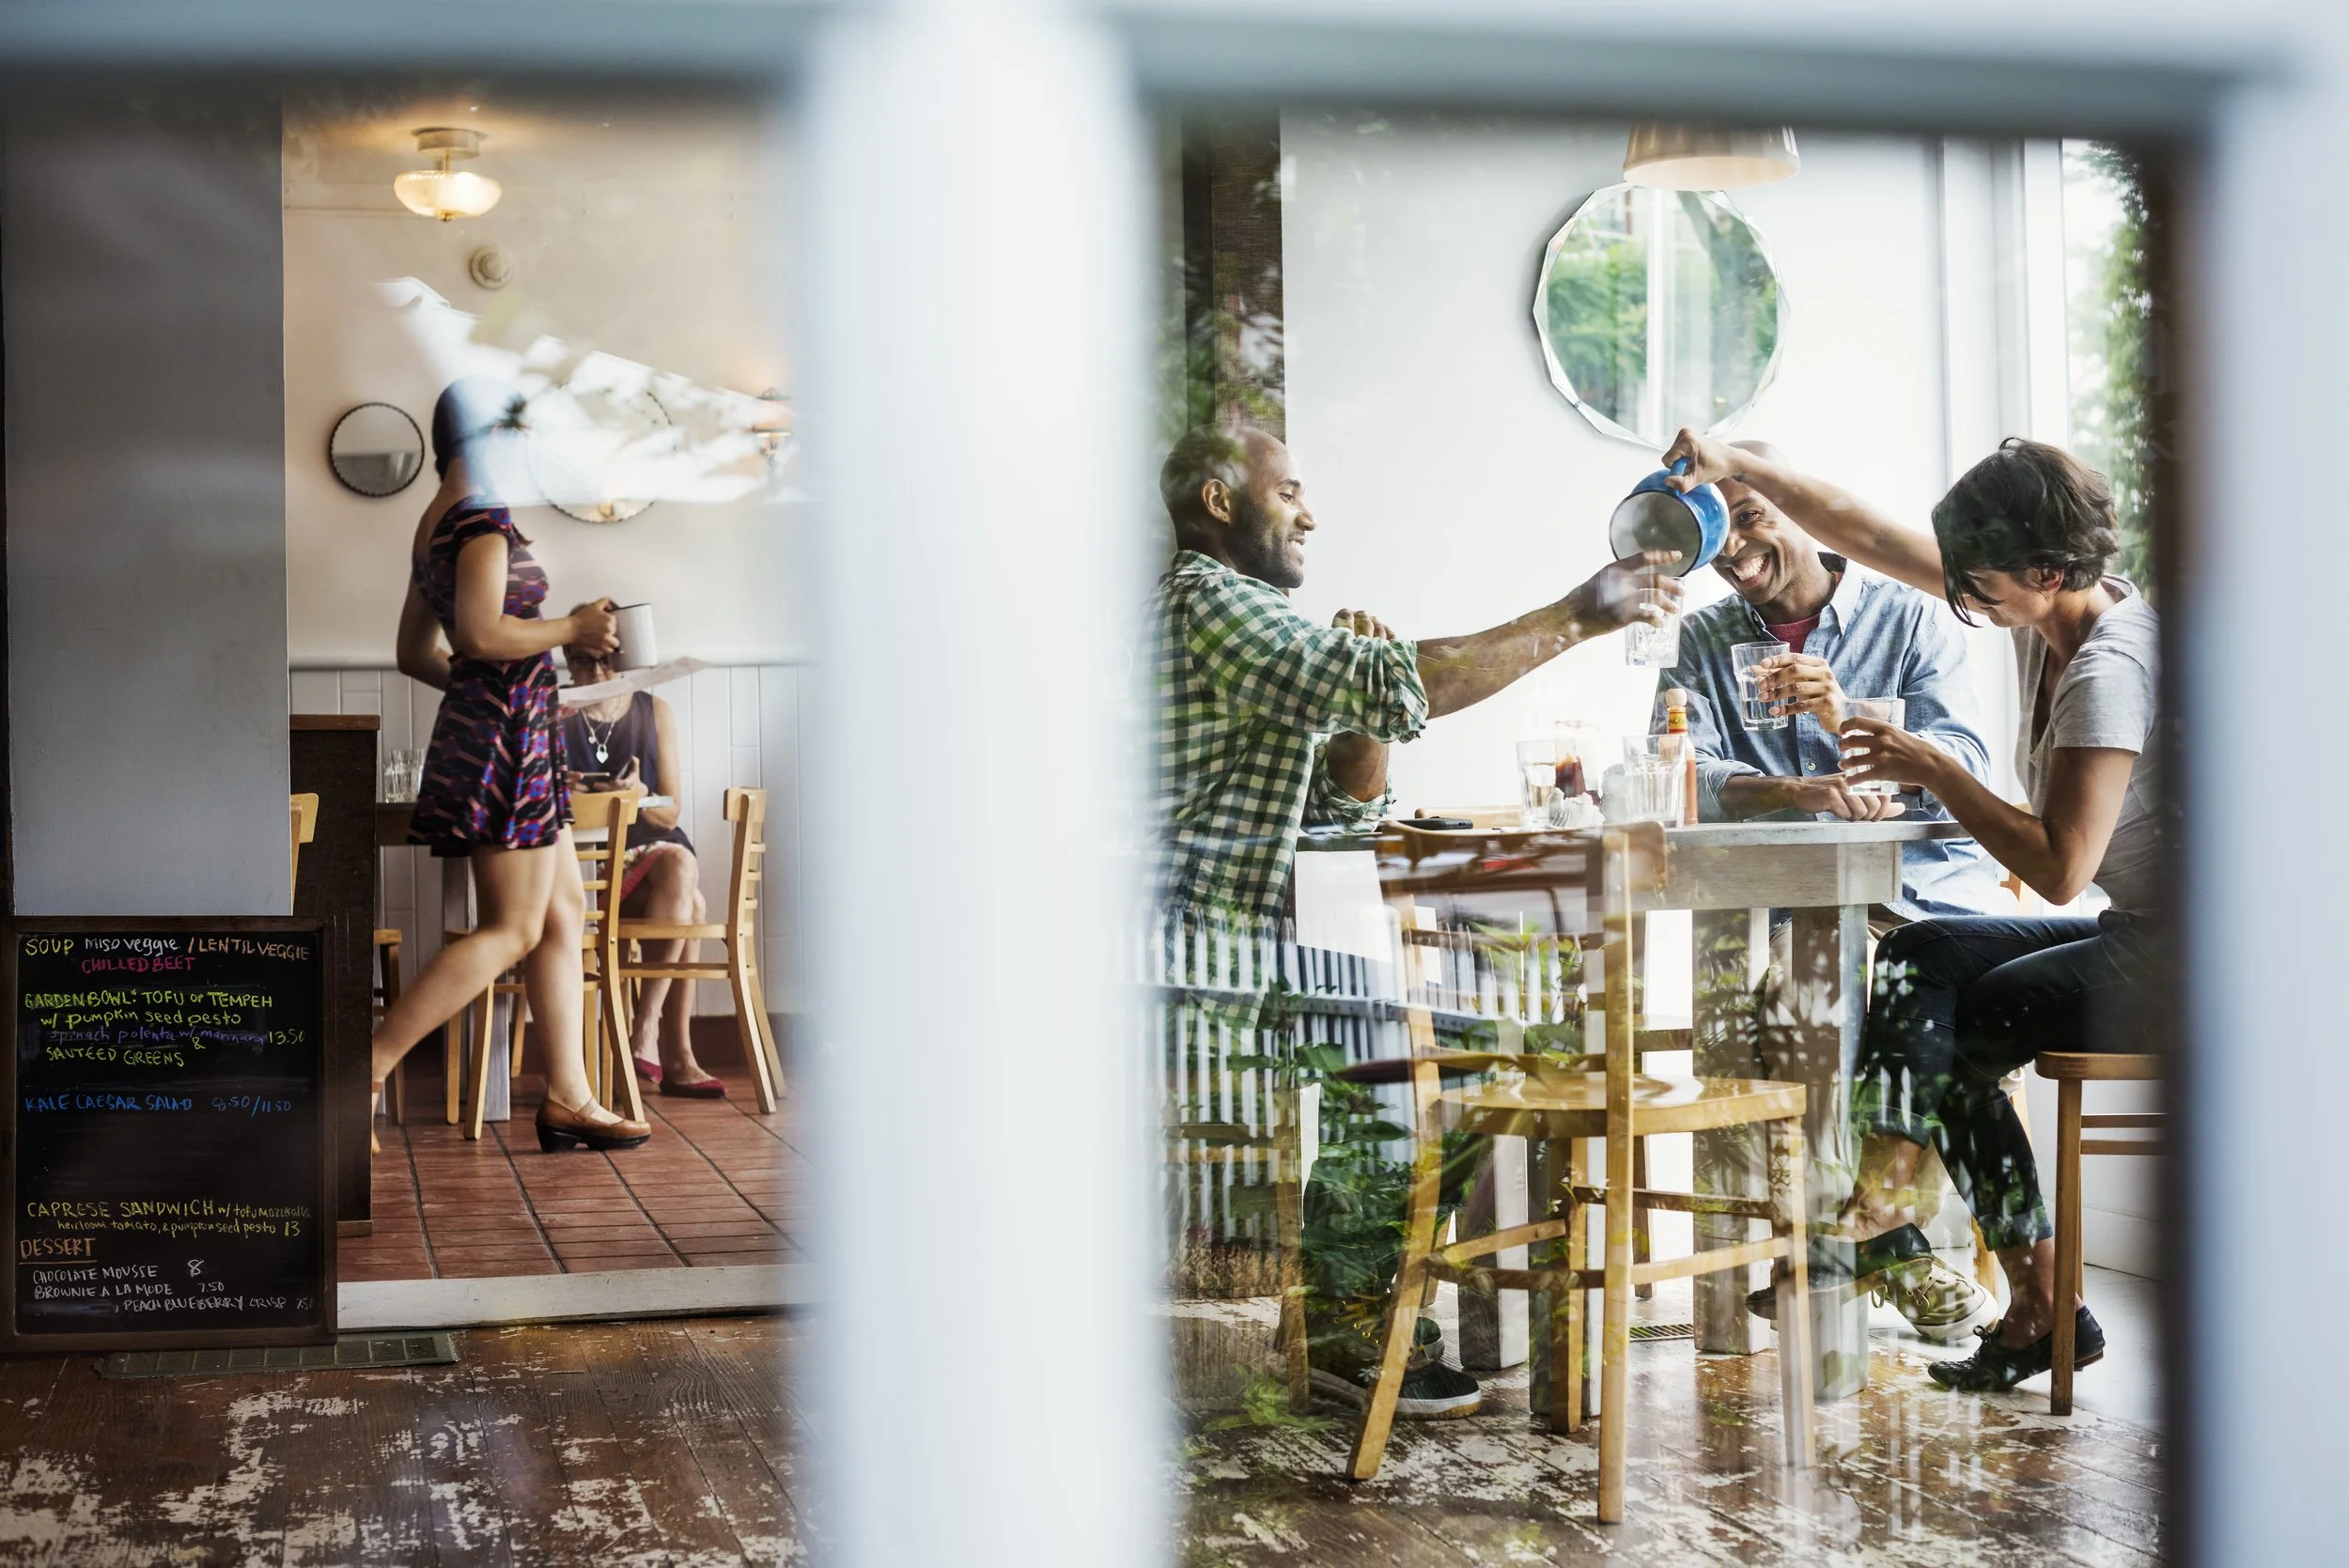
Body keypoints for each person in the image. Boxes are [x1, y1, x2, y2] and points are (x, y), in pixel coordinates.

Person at [1152, 423, 1681, 1418]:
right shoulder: (1211, 599)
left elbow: (1339, 812)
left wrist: (1361, 703)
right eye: (1290, 491)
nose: (1310, 513)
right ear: (1220, 502)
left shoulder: (1246, 622)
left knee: (1457, 1026)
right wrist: (1577, 612)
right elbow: (1405, 687)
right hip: (1195, 959)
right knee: (1442, 1038)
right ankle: (1352, 1321)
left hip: (1229, 945)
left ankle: (1349, 1312)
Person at [1665, 428, 2164, 1392]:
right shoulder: (2050, 617)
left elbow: (2062, 869)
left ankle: (1970, 1254)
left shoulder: (2107, 669)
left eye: (1976, 583)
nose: (1962, 598)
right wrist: (1744, 465)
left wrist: (1928, 762)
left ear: (2044, 569)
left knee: (1959, 1023)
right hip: (2139, 932)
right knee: (1925, 958)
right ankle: (1997, 1275)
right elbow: (1872, 537)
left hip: (2192, 959)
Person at [1657, 439, 2016, 1344]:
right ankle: (1876, 1253)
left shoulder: (1915, 616)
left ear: (1800, 512)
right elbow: (1683, 767)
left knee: (1889, 993)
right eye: (1712, 538)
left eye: (1746, 517)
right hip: (1785, 904)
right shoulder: (1702, 639)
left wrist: (1845, 716)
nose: (1733, 552)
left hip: (1924, 897)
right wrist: (1799, 789)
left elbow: (1969, 762)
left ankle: (1849, 1248)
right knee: (1789, 987)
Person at [368, 379, 653, 1155]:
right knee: (513, 927)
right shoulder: (484, 524)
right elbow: (486, 635)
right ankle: (363, 1068)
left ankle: (569, 1098)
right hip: (508, 749)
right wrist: (571, 627)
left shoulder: (438, 524)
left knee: (564, 915)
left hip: (504, 735)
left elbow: (417, 652)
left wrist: (514, 695)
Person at [559, 639, 727, 1097]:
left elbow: (670, 815)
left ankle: (645, 1030)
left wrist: (638, 792)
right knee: (691, 904)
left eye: (606, 659)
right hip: (584, 874)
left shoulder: (654, 711)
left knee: (678, 864)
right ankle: (674, 1055)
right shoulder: (555, 715)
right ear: (568, 663)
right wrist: (565, 787)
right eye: (582, 659)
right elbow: (536, 806)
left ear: (626, 661)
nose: (595, 671)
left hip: (650, 860)